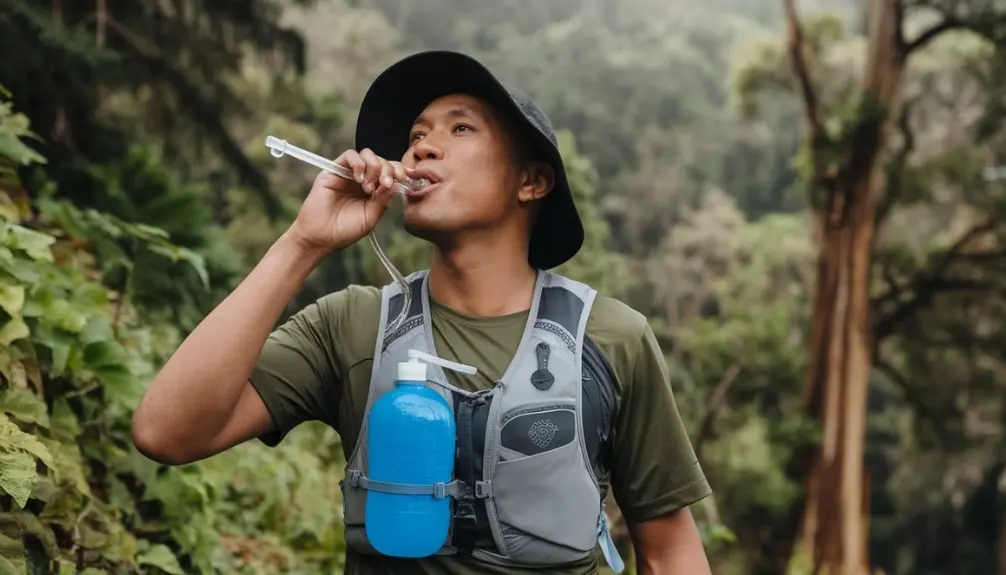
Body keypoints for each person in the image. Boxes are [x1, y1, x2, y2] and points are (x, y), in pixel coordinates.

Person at [131, 50, 713, 575]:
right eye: (415, 136)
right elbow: (167, 434)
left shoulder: (612, 338)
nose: (421, 147)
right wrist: (303, 242)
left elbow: (668, 551)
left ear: (531, 181)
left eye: (460, 128)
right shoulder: (351, 326)